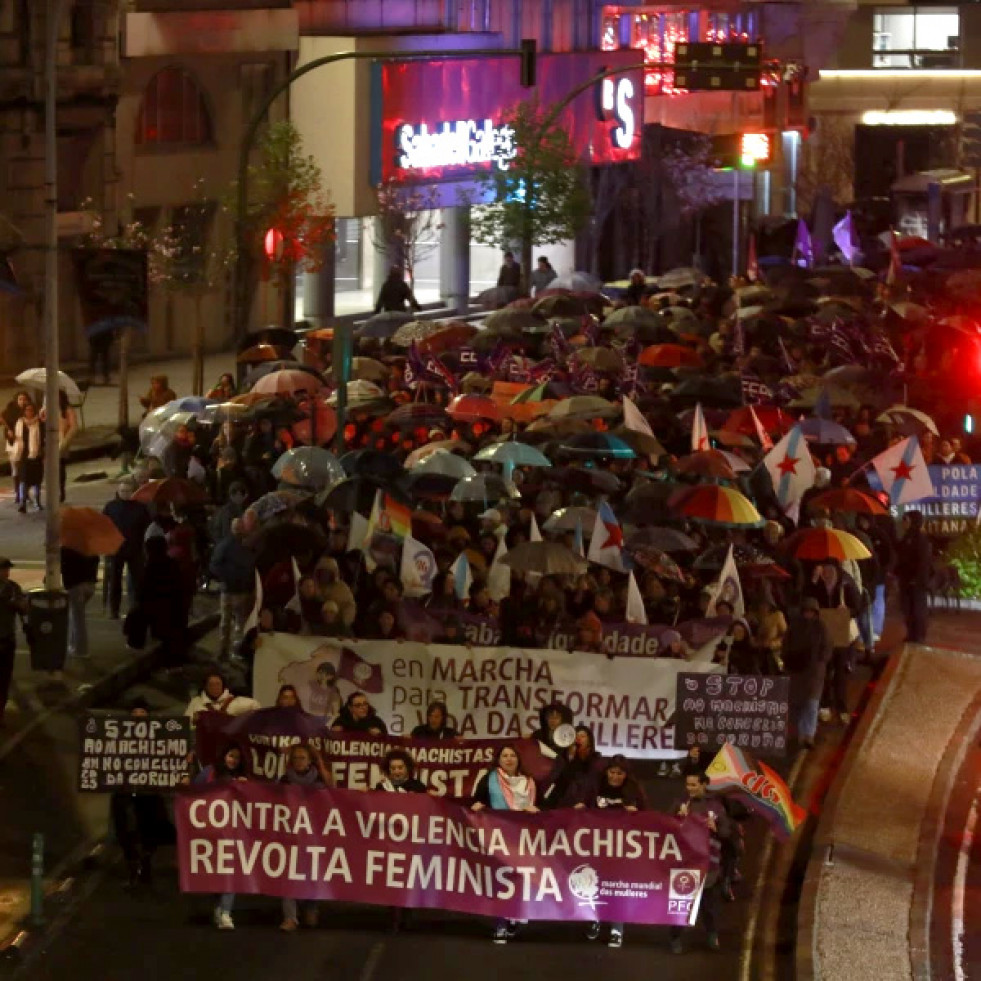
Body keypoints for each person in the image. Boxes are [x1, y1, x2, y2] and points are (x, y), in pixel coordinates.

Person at [472, 744, 538, 944]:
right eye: (504, 756)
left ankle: (513, 919)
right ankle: (500, 923)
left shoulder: (529, 782)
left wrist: (536, 810)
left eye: (512, 755)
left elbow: (540, 807)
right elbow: (478, 799)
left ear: (518, 759)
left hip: (523, 838)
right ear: (498, 760)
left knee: (519, 881)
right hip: (498, 835)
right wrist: (478, 805)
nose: (508, 759)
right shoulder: (489, 779)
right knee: (501, 880)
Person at [581, 755, 646, 947]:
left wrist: (637, 814)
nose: (615, 777)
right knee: (595, 883)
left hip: (622, 849)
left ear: (626, 775)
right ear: (606, 772)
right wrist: (580, 808)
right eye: (612, 772)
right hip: (597, 846)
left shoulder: (634, 791)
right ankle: (595, 920)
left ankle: (617, 928)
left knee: (618, 887)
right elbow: (583, 806)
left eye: (620, 773)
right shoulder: (595, 787)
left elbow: (648, 818)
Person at [110, 698, 170, 888]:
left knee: (151, 829)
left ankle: (145, 865)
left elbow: (171, 755)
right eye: (134, 713)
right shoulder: (118, 737)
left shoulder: (159, 737)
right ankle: (133, 866)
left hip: (149, 792)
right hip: (125, 791)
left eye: (142, 713)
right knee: (123, 829)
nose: (138, 717)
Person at [670, 772, 731, 953]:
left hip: (709, 864)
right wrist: (677, 819)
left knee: (709, 906)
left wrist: (716, 828)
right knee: (681, 903)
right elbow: (665, 827)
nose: (690, 789)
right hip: (685, 864)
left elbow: (727, 833)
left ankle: (712, 935)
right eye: (688, 785)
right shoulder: (681, 804)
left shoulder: (717, 807)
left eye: (694, 785)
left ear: (704, 785)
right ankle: (675, 938)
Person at [194, 743, 248, 930]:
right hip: (210, 831)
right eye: (231, 755)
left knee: (230, 871)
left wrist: (245, 788)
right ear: (223, 756)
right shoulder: (209, 772)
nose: (233, 760)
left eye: (237, 758)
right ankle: (219, 907)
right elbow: (193, 793)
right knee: (215, 872)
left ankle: (226, 912)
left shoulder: (241, 778)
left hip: (232, 833)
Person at [279, 743, 331, 932]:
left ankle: (310, 908)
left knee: (312, 872)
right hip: (291, 833)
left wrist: (322, 765)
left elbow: (334, 794)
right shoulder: (285, 779)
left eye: (302, 758)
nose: (298, 761)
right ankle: (290, 917)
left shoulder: (319, 777)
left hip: (314, 835)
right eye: (295, 758)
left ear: (310, 760)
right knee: (289, 873)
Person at [128, 536, 188, 666]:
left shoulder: (151, 566)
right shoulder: (172, 564)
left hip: (157, 607)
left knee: (136, 616)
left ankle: (136, 647)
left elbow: (143, 591)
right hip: (173, 607)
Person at [782, 597, 832, 749]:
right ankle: (795, 733)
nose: (808, 614)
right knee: (796, 705)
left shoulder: (821, 628)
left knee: (811, 704)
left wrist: (820, 662)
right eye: (806, 611)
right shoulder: (794, 627)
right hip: (796, 672)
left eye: (811, 611)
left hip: (813, 674)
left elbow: (827, 647)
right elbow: (786, 645)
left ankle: (808, 735)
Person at [103, 478, 151, 620]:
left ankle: (137, 608)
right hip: (115, 549)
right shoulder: (111, 507)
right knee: (115, 582)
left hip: (134, 549)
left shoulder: (140, 508)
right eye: (122, 491)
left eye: (127, 491)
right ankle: (114, 610)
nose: (124, 494)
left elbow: (146, 527)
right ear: (118, 491)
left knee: (137, 581)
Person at [209, 519, 256, 662]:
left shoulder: (234, 545)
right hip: (234, 590)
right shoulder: (238, 546)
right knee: (235, 623)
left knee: (233, 623)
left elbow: (215, 565)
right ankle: (229, 651)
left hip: (235, 590)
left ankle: (229, 650)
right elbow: (215, 565)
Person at [543, 725, 602, 809]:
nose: (578, 739)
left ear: (589, 741)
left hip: (586, 805)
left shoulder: (596, 760)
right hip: (565, 804)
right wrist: (571, 759)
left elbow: (593, 784)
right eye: (576, 736)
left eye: (582, 736)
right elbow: (557, 783)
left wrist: (583, 802)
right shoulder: (562, 759)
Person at [896, 510, 932, 644]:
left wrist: (916, 579)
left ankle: (918, 635)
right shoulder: (907, 537)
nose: (903, 523)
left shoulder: (920, 539)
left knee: (917, 609)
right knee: (907, 609)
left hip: (916, 582)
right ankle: (911, 634)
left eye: (906, 520)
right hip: (906, 580)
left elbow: (922, 562)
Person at [0, 558, 26, 728]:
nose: (7, 573)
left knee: (4, 678)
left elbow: (24, 608)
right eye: (4, 569)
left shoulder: (13, 588)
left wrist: (17, 603)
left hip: (6, 639)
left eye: (8, 570)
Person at [60, 545, 98, 659]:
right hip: (89, 584)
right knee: (76, 614)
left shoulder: (67, 548)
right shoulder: (89, 546)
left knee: (78, 619)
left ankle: (81, 650)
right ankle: (73, 644)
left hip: (76, 585)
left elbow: (63, 565)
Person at [184, 671, 259, 726]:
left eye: (217, 684)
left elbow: (256, 706)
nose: (214, 687)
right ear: (205, 687)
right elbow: (185, 724)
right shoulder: (196, 702)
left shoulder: (235, 702)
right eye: (211, 685)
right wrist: (194, 720)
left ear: (223, 685)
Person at [2, 391, 31, 505]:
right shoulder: (10, 411)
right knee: (16, 469)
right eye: (20, 399)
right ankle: (18, 493)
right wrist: (8, 432)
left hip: (27, 444)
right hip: (13, 443)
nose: (22, 401)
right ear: (16, 400)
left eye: (24, 399)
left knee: (26, 469)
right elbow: (3, 421)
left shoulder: (29, 411)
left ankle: (25, 492)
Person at [13, 401, 43, 512]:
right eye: (27, 410)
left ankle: (37, 502)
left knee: (36, 481)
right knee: (23, 480)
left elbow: (42, 439)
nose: (29, 412)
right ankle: (22, 503)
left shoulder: (39, 423)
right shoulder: (20, 423)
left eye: (31, 410)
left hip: (36, 455)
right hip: (24, 455)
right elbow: (17, 440)